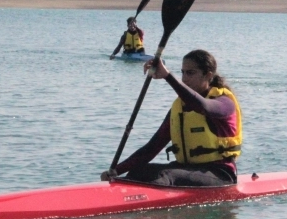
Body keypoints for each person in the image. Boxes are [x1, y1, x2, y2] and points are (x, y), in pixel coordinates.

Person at [101, 49, 242, 187]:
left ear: (208, 75)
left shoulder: (224, 102)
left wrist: (167, 76)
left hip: (219, 173)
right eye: (182, 72)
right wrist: (116, 171)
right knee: (138, 172)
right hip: (186, 169)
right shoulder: (179, 108)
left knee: (164, 176)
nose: (184, 78)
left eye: (190, 73)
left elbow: (203, 106)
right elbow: (152, 148)